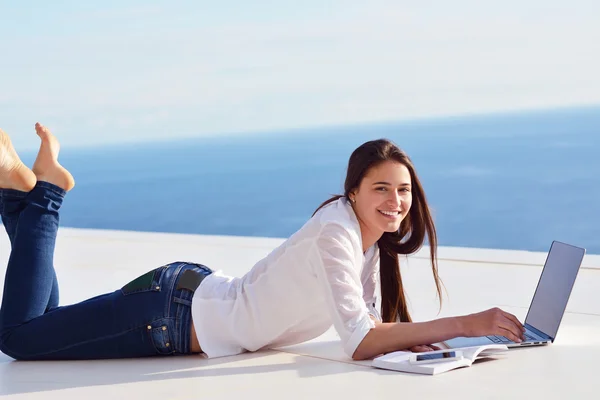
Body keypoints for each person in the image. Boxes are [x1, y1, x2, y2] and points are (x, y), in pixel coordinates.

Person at [0, 123, 525, 361]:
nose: (395, 200)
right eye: (381, 188)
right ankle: (44, 195)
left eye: (404, 189)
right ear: (354, 191)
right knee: (21, 338)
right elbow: (360, 342)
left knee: (42, 326)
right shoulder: (336, 233)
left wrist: (433, 341)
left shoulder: (359, 238)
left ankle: (18, 191)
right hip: (170, 316)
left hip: (182, 301)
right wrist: (468, 324)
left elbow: (367, 327)